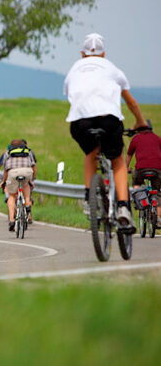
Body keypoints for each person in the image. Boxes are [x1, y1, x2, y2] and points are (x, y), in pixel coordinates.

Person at [64, 33, 145, 232]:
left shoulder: (74, 68)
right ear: (104, 53)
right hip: (108, 120)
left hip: (80, 122)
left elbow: (70, 94)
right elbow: (131, 102)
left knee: (90, 152)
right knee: (117, 160)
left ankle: (88, 197)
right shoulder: (112, 68)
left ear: (82, 53)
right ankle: (124, 208)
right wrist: (140, 122)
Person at [126, 125, 161, 226]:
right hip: (157, 170)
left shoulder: (136, 138)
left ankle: (140, 200)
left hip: (141, 170)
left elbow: (129, 155)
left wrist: (126, 168)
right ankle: (157, 218)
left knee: (136, 182)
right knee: (158, 192)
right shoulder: (157, 138)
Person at [0, 139, 36, 232]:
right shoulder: (29, 151)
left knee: (11, 196)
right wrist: (32, 178)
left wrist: (3, 181)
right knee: (26, 186)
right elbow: (33, 165)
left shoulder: (7, 153)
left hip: (13, 172)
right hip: (27, 172)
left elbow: (5, 170)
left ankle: (12, 220)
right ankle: (27, 203)